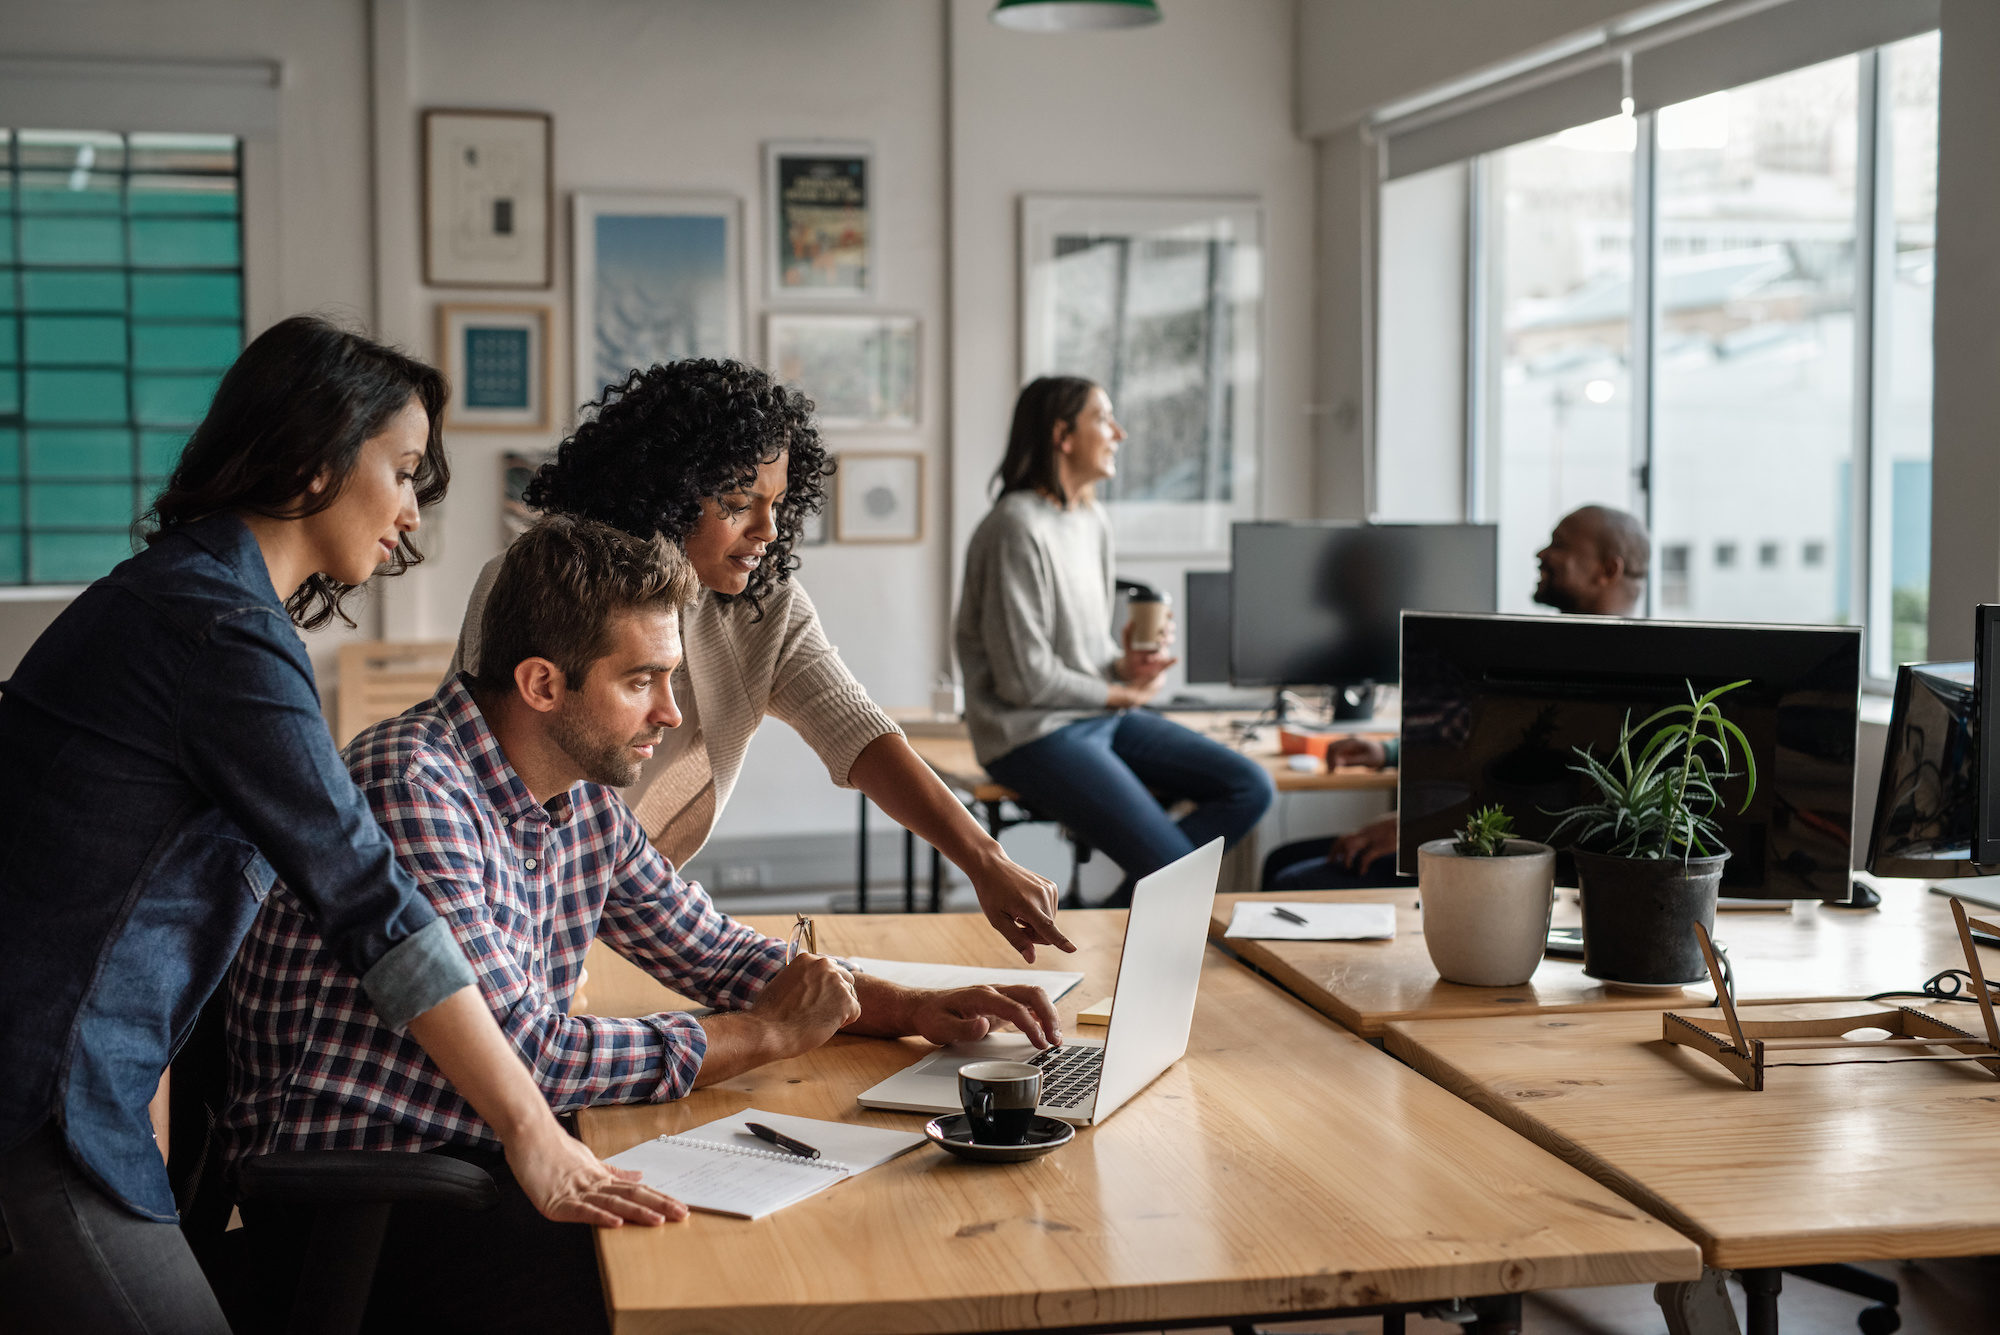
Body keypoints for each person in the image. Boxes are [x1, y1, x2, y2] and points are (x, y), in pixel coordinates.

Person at [0, 319, 673, 1335]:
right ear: (314, 457)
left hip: (71, 1088)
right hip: (36, 1102)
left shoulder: (189, 601)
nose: (409, 514)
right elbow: (370, 900)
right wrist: (532, 1134)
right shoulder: (218, 629)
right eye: (401, 471)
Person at [226, 516, 1063, 1332]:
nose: (670, 713)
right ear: (543, 684)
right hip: (374, 1201)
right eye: (642, 682)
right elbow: (533, 1054)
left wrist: (902, 1006)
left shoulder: (576, 791)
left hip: (481, 1157)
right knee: (743, 1278)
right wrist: (763, 1036)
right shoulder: (416, 784)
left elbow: (712, 948)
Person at [455, 359, 1071, 962]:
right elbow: (492, 787)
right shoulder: (541, 586)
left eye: (777, 503)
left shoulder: (761, 603)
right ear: (663, 491)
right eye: (739, 501)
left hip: (632, 903)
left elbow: (858, 732)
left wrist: (985, 861)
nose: (768, 529)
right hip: (507, 901)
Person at [956, 376, 1276, 907]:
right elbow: (1024, 679)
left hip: (1096, 719)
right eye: (1104, 418)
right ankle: (1127, 927)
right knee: (1174, 870)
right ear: (1063, 434)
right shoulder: (1014, 528)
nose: (1119, 433)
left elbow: (1085, 658)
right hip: (1030, 735)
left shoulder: (1091, 520)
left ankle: (1115, 921)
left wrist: (1125, 667)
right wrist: (1122, 694)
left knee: (1250, 786)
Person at [1264, 503, 1651, 890]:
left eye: (1560, 545)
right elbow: (1489, 750)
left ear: (1608, 570)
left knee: (1290, 879)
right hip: (1466, 830)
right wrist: (1388, 755)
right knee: (1282, 860)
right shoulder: (1558, 656)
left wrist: (1416, 834)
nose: (1541, 554)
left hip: (1504, 860)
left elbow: (1540, 807)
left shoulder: (1614, 680)